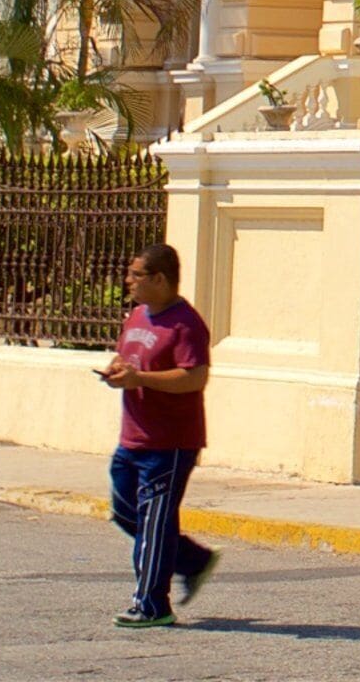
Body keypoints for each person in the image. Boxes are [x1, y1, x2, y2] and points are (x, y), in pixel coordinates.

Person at [101, 243, 218, 629]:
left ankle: (152, 605)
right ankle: (193, 560)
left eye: (136, 275)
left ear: (160, 279)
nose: (128, 281)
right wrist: (117, 371)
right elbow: (127, 359)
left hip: (170, 443)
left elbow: (194, 377)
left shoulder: (186, 324)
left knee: (153, 523)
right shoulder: (137, 316)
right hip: (132, 437)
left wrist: (141, 379)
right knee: (125, 512)